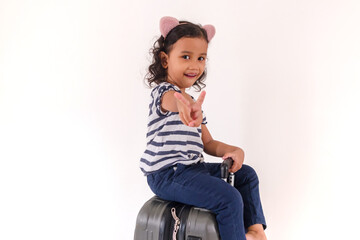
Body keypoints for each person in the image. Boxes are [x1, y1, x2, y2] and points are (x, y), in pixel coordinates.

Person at [140, 16, 267, 240]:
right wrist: (184, 106)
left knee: (246, 175)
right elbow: (174, 102)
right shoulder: (163, 93)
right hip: (167, 175)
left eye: (201, 58)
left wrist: (234, 150)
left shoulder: (193, 104)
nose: (194, 65)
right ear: (165, 59)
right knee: (228, 198)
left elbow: (208, 143)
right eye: (186, 56)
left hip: (192, 170)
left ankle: (255, 233)